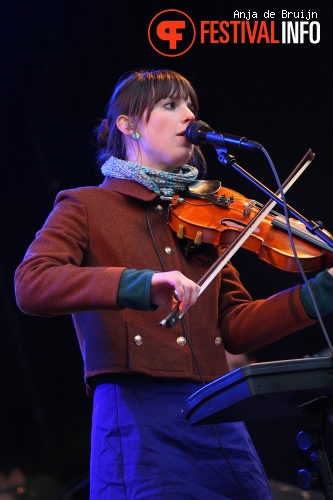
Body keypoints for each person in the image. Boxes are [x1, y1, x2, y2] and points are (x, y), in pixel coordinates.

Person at [14, 68, 333, 499]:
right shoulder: (86, 206)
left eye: (190, 106)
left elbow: (234, 326)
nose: (188, 116)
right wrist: (139, 284)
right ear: (127, 125)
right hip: (138, 415)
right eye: (170, 105)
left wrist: (315, 296)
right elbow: (32, 283)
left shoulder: (203, 217)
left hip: (220, 416)